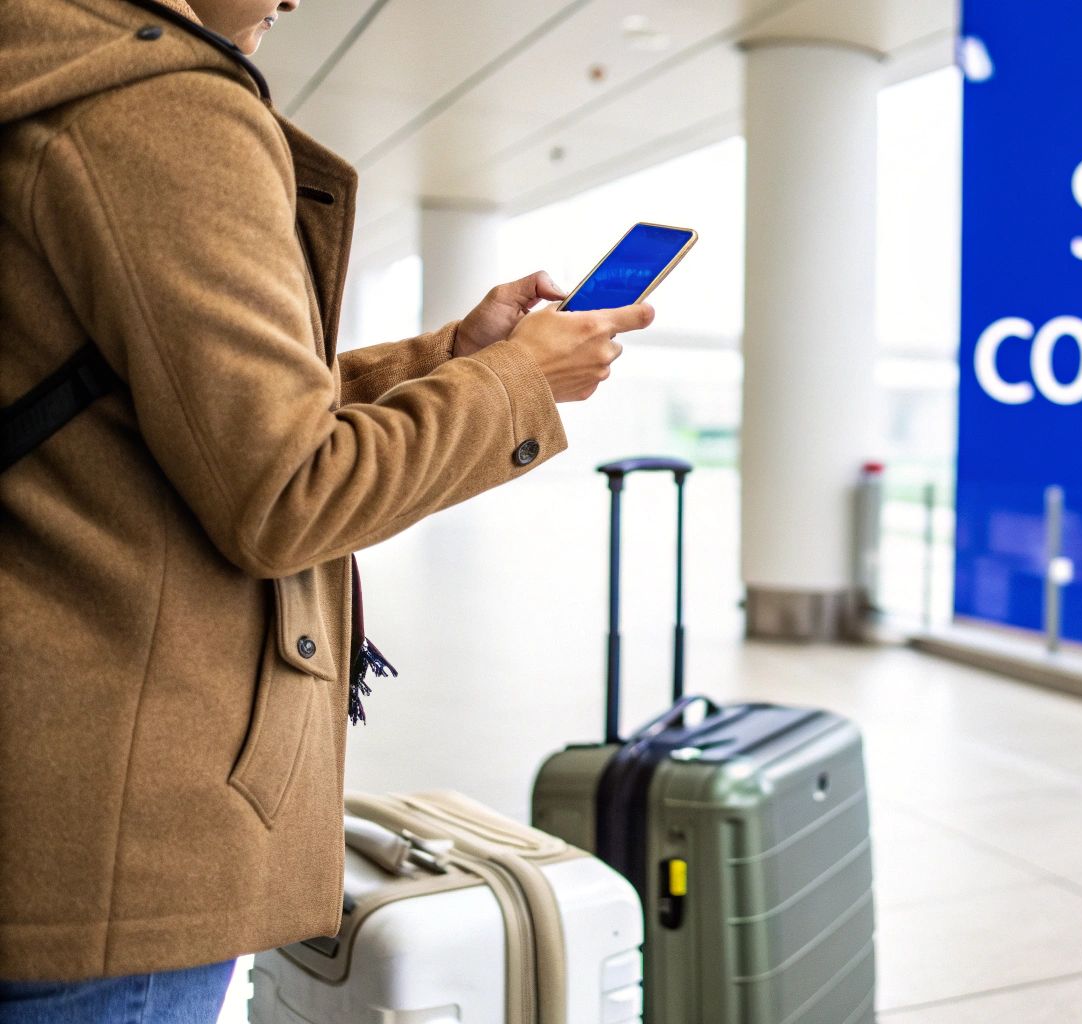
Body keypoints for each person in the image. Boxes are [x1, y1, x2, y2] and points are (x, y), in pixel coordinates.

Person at [0, 0, 655, 1016]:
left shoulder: (39, 78)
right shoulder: (163, 108)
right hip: (116, 841)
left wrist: (446, 362)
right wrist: (518, 386)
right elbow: (289, 488)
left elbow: (157, 408)